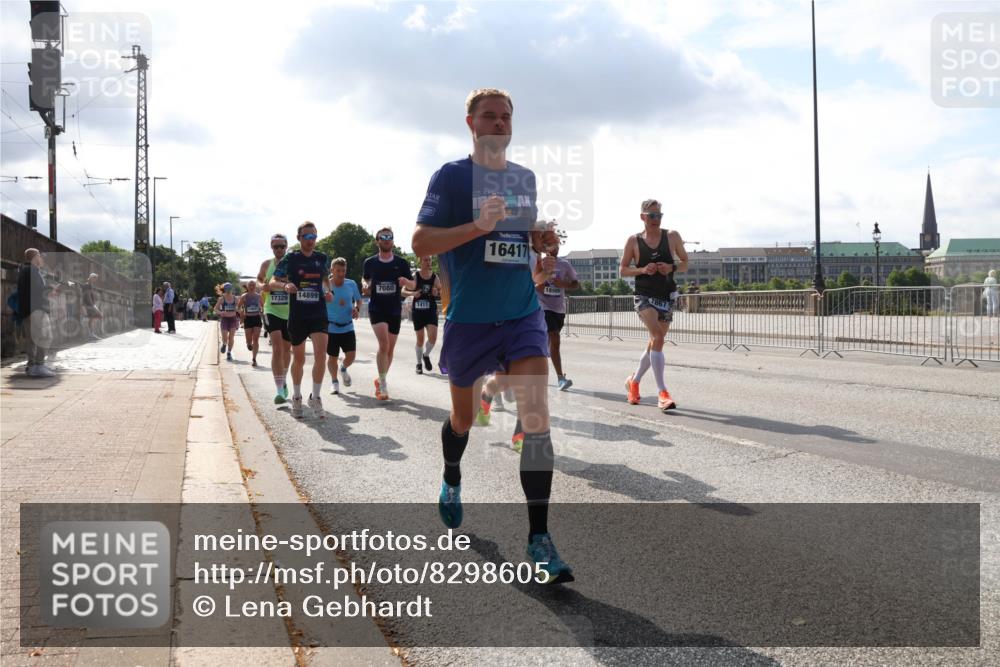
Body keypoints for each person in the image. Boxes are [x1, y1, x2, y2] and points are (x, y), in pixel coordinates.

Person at [411, 87, 573, 584]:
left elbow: (518, 236)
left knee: (537, 424)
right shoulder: (452, 177)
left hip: (522, 313)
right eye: (489, 117)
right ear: (471, 123)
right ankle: (452, 477)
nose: (499, 124)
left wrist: (538, 238)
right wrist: (478, 225)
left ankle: (539, 539)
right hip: (469, 319)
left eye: (506, 117)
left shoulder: (523, 178)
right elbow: (421, 241)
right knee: (462, 420)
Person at [619, 198, 689, 412]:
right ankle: (662, 393)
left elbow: (685, 263)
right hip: (644, 296)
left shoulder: (672, 236)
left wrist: (671, 267)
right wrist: (642, 270)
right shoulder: (633, 240)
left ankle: (634, 381)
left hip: (666, 295)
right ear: (643, 217)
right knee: (657, 337)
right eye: (652, 215)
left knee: (655, 343)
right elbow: (623, 270)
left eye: (659, 215)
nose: (656, 219)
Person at [269, 221, 332, 419]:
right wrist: (286, 286)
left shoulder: (321, 258)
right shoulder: (291, 258)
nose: (310, 240)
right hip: (298, 314)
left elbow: (325, 279)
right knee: (299, 358)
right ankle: (296, 396)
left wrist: (328, 290)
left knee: (321, 355)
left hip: (318, 312)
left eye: (313, 236)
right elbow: (273, 281)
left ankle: (316, 396)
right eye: (306, 236)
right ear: (299, 238)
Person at [362, 227, 414, 400]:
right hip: (377, 308)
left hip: (394, 309)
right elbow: (365, 277)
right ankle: (383, 384)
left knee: (390, 349)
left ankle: (380, 379)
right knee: (383, 344)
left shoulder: (401, 262)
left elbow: (413, 285)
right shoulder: (370, 262)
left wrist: (407, 281)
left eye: (389, 237)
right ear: (377, 240)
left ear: (393, 240)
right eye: (383, 237)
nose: (386, 239)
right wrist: (365, 284)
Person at [534, 225, 579, 391]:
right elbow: (536, 285)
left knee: (548, 344)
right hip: (543, 307)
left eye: (557, 245)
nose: (556, 248)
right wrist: (544, 284)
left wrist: (563, 284)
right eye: (552, 245)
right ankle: (560, 378)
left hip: (558, 309)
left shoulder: (565, 265)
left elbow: (576, 284)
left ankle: (536, 374)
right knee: (554, 339)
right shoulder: (539, 261)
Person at [259, 234, 293, 403]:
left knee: (287, 350)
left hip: (289, 312)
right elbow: (259, 280)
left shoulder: (292, 264)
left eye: (282, 246)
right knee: (277, 348)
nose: (279, 249)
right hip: (271, 309)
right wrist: (261, 286)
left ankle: (283, 377)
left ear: (286, 246)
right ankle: (279, 389)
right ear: (271, 247)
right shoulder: (267, 264)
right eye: (276, 246)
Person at [325, 257, 362, 394]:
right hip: (331, 327)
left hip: (347, 326)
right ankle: (334, 382)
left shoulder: (351, 284)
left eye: (343, 270)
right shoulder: (326, 285)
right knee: (332, 357)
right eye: (338, 270)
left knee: (351, 356)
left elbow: (358, 300)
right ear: (332, 270)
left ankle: (344, 368)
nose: (341, 273)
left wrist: (356, 309)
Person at [17, 248, 56, 377]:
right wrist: (51, 289)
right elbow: (38, 290)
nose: (42, 259)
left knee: (32, 340)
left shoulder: (26, 270)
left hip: (28, 310)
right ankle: (39, 365)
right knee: (45, 337)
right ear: (36, 256)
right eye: (40, 256)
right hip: (36, 310)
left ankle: (31, 366)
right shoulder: (32, 271)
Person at [402, 255, 441, 375]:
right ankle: (418, 364)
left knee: (433, 338)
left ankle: (426, 355)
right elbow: (403, 291)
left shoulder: (435, 277)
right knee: (420, 339)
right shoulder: (415, 276)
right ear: (420, 261)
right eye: (426, 260)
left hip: (430, 311)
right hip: (418, 311)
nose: (428, 262)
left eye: (430, 260)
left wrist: (436, 292)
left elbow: (441, 291)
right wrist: (413, 293)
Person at [238, 280, 264, 367]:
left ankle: (254, 359)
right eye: (250, 285)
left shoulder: (259, 296)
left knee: (256, 339)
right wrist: (241, 311)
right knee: (249, 340)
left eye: (253, 285)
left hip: (257, 318)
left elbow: (264, 306)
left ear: (255, 286)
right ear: (248, 287)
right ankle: (249, 344)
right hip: (248, 319)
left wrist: (262, 311)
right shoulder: (244, 296)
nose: (252, 287)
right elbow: (237, 307)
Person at [214, 282, 240, 361]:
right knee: (225, 337)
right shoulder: (222, 299)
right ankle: (224, 344)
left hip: (233, 319)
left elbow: (240, 309)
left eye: (230, 289)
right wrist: (221, 312)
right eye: (227, 289)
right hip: (225, 319)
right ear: (224, 290)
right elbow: (215, 309)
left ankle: (229, 352)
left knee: (231, 337)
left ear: (231, 289)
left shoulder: (235, 299)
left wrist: (237, 310)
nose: (228, 290)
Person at [81, 272, 103, 340]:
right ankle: (91, 334)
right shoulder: (87, 285)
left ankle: (91, 334)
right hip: (89, 305)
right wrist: (93, 305)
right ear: (91, 278)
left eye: (96, 278)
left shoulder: (89, 285)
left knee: (93, 318)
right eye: (94, 278)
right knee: (97, 316)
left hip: (89, 304)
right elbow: (88, 296)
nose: (95, 280)